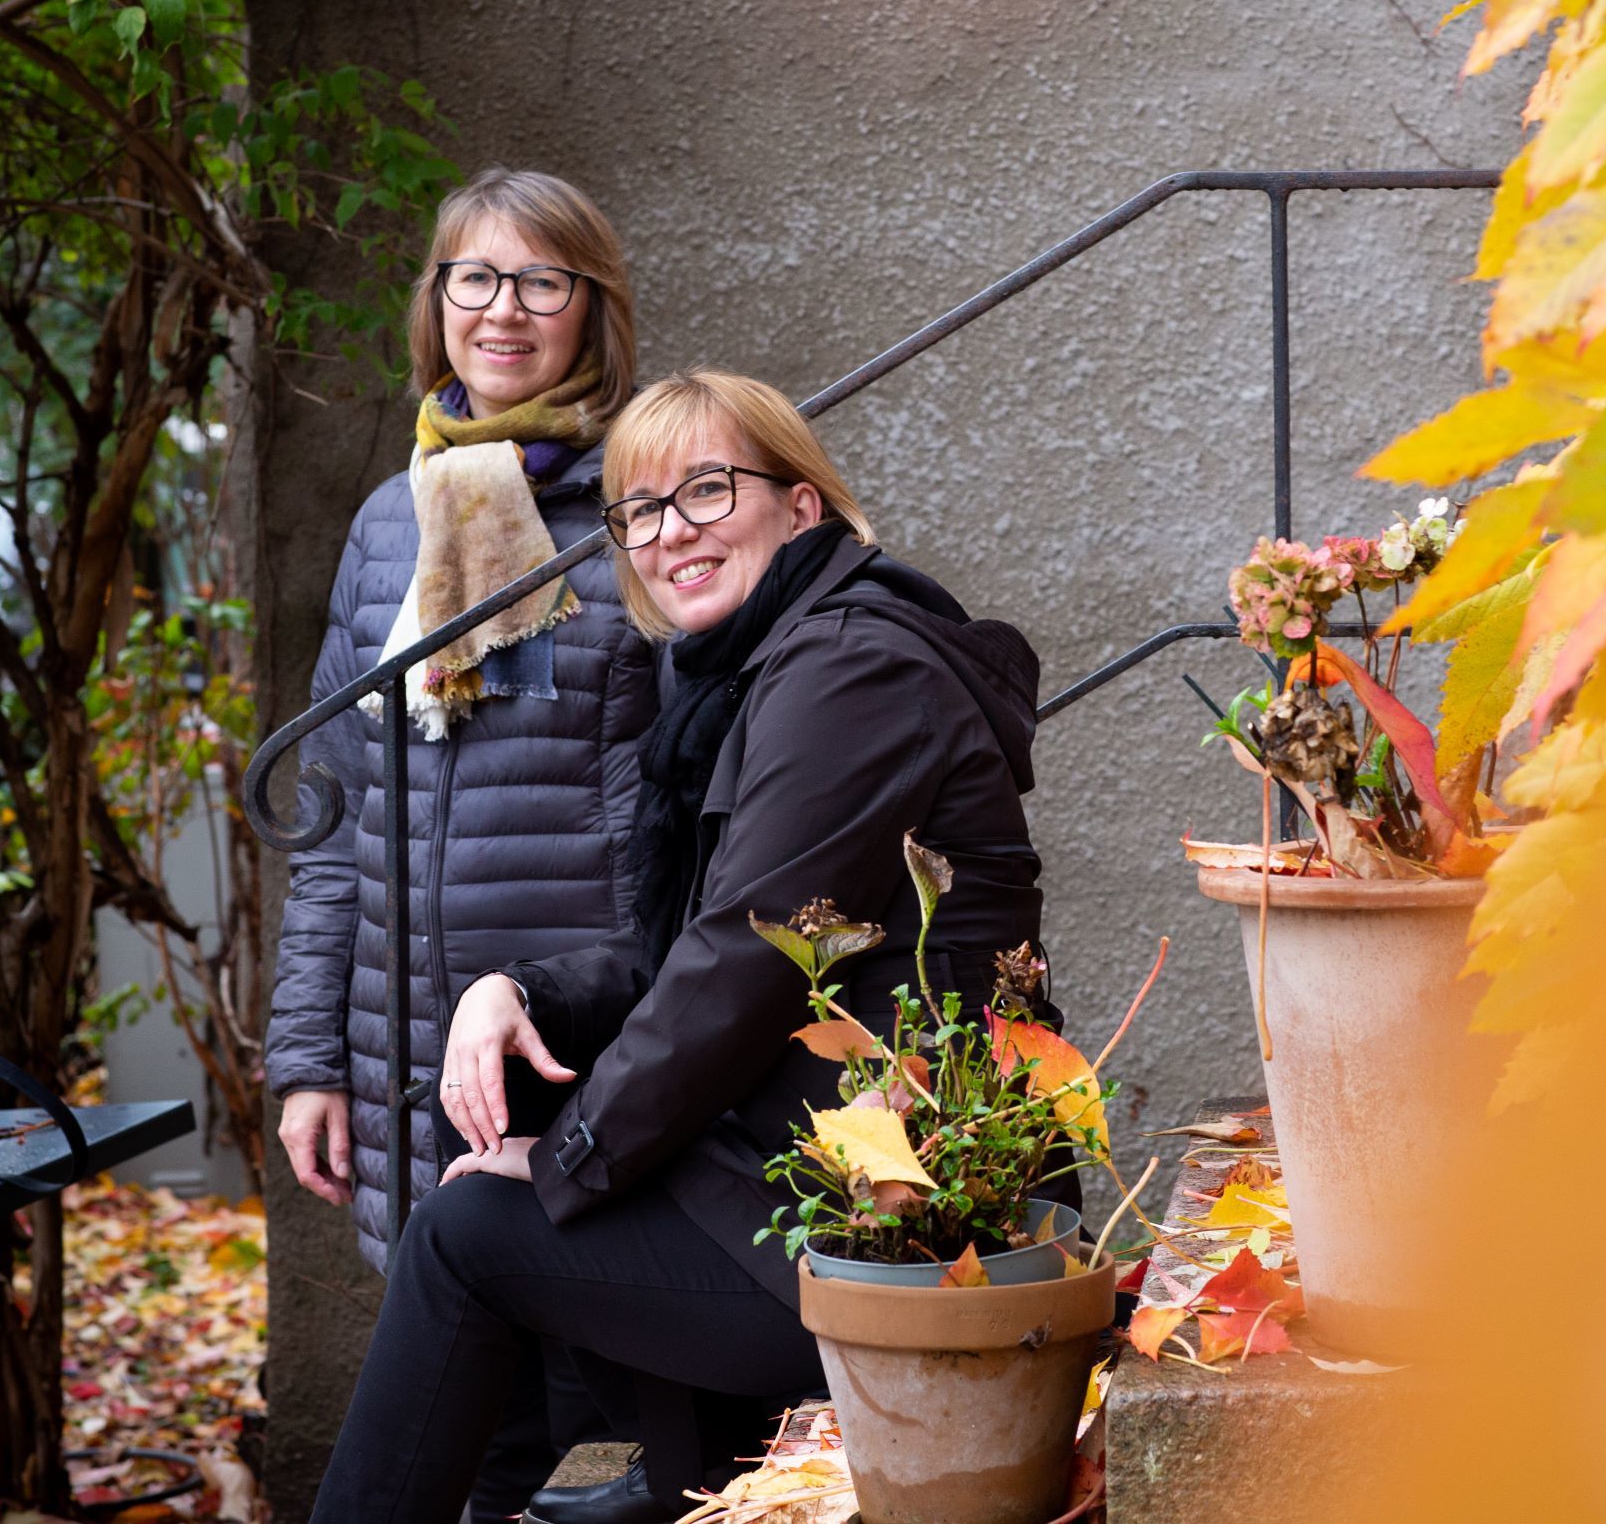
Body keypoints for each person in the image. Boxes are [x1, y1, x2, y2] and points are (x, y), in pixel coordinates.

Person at [309, 370, 1053, 1524]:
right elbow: (683, 953)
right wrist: (516, 990)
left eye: (707, 490)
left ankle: (655, 1487)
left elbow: (745, 958)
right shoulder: (757, 670)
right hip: (816, 1168)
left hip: (900, 1228)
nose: (669, 533)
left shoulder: (852, 671)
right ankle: (678, 1484)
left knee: (462, 1234)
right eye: (640, 510)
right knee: (513, 1096)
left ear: (801, 506)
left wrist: (572, 1158)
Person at [265, 168, 658, 1521]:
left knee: (598, 1420)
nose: (505, 310)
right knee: (478, 1436)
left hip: (574, 1043)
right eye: (475, 279)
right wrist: (312, 1058)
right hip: (408, 1054)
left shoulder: (644, 515)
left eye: (543, 281)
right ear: (436, 303)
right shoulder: (395, 520)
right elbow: (332, 813)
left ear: (592, 308)